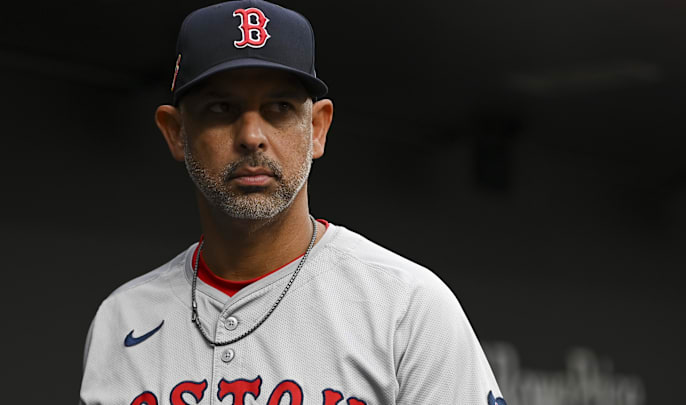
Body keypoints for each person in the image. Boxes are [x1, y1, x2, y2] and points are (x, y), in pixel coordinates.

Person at [79, 1, 506, 404]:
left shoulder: (407, 307)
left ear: (318, 128)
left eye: (279, 107)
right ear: (176, 132)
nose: (251, 136)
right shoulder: (121, 320)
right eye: (221, 108)